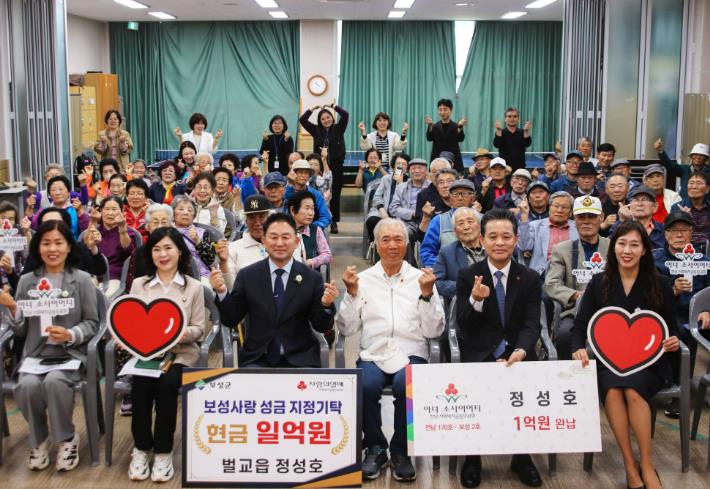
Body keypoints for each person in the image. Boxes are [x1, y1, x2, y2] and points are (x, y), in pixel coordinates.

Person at [572, 220, 680, 489]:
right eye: (621, 243)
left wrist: (673, 341)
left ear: (644, 250)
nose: (627, 250)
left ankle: (647, 464)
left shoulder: (660, 283)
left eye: (634, 244)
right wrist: (577, 347)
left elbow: (672, 328)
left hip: (649, 360)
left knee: (632, 390)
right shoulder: (599, 282)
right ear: (613, 248)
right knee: (612, 391)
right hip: (610, 360)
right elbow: (580, 326)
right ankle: (630, 465)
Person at [336, 218, 444, 482]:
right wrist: (351, 294)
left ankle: (401, 450)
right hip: (373, 353)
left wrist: (427, 296)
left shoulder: (421, 279)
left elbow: (434, 330)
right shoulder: (363, 279)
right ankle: (375, 447)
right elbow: (347, 328)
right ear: (375, 244)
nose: (392, 245)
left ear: (407, 245)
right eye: (385, 240)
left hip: (411, 352)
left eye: (398, 239)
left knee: (405, 385)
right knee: (365, 385)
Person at [0, 220, 99, 472]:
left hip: (70, 354)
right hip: (35, 354)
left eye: (58, 243)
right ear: (37, 247)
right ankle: (40, 439)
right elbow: (21, 330)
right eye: (46, 243)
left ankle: (67, 438)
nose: (52, 249)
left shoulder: (82, 280)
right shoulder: (26, 282)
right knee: (27, 386)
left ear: (69, 247)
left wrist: (70, 333)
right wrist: (13, 308)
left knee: (55, 382)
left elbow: (92, 323)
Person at [455, 209, 543, 488]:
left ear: (516, 239)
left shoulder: (529, 278)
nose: (500, 242)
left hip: (517, 353)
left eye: (506, 236)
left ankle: (522, 457)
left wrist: (522, 350)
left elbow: (532, 324)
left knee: (525, 391)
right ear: (482, 240)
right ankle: (473, 457)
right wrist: (476, 301)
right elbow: (463, 325)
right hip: (480, 353)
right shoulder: (469, 275)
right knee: (474, 394)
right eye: (492, 236)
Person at [127, 227, 207, 482]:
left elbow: (199, 328)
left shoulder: (193, 287)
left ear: (180, 251)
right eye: (157, 249)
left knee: (166, 384)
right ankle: (141, 448)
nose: (163, 254)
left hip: (180, 354)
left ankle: (163, 451)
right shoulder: (139, 284)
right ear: (150, 254)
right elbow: (130, 321)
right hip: (147, 355)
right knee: (140, 385)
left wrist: (182, 333)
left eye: (168, 248)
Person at [211, 213, 338, 368]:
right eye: (273, 237)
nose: (279, 243)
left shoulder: (312, 278)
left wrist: (325, 305)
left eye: (285, 237)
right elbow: (231, 319)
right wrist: (222, 292)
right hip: (258, 358)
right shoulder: (247, 276)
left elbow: (321, 326)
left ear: (296, 242)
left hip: (301, 358)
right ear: (264, 241)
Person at [653, 210, 710, 418]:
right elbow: (651, 296)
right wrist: (673, 290)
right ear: (666, 233)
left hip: (700, 316)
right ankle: (678, 392)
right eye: (674, 230)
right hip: (670, 315)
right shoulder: (655, 260)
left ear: (691, 233)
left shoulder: (703, 261)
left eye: (684, 230)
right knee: (677, 334)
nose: (679, 234)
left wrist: (707, 310)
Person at [544, 196, 610, 359]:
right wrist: (575, 295)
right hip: (575, 311)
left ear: (601, 218)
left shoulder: (613, 246)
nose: (586, 221)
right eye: (581, 217)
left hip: (609, 310)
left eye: (592, 216)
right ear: (574, 219)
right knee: (565, 335)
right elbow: (551, 283)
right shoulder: (562, 249)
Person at [299, 102, 349, 234]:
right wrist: (312, 108)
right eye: (323, 119)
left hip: (336, 167)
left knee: (335, 195)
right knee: (318, 194)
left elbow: (345, 115)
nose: (326, 120)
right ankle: (318, 218)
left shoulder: (339, 128)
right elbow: (302, 119)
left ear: (332, 118)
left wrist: (333, 106)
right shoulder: (315, 130)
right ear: (319, 121)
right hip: (320, 169)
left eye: (328, 117)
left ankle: (334, 222)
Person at [21, 207, 107, 281]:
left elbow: (99, 270)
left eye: (57, 223)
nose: (52, 228)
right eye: (47, 224)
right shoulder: (38, 252)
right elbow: (23, 281)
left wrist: (93, 247)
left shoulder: (78, 248)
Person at [419, 179, 481, 267]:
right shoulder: (439, 221)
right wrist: (445, 266)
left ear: (473, 197)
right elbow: (427, 252)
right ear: (450, 198)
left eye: (465, 194)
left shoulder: (483, 219)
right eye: (455, 194)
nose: (460, 198)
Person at [518, 191, 578, 276]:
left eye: (564, 207)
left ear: (571, 212)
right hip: (542, 274)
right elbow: (524, 247)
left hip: (571, 274)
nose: (559, 210)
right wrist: (524, 216)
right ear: (549, 208)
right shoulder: (535, 226)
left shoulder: (578, 228)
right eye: (556, 206)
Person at [433, 207, 485, 300]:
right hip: (464, 302)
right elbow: (437, 283)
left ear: (479, 225)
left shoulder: (493, 247)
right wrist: (465, 287)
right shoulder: (446, 252)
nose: (466, 227)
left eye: (470, 221)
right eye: (461, 223)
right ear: (455, 231)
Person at [93, 196, 138, 297]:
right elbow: (86, 247)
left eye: (114, 209)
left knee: (104, 297)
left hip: (116, 278)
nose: (110, 213)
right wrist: (92, 223)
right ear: (101, 211)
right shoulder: (95, 230)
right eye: (107, 209)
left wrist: (122, 229)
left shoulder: (128, 231)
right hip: (94, 276)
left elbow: (128, 251)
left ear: (122, 212)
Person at [171, 196, 216, 283]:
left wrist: (198, 241)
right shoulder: (167, 232)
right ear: (173, 213)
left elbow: (210, 260)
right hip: (173, 275)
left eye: (189, 210)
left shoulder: (202, 232)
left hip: (201, 276)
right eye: (181, 209)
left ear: (194, 215)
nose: (185, 213)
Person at [31, 176, 88, 240]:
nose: (57, 193)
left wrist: (80, 211)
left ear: (69, 192)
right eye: (53, 190)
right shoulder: (44, 211)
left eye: (61, 189)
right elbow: (33, 226)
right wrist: (30, 207)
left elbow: (86, 229)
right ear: (49, 194)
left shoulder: (75, 209)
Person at [288, 190, 332, 269]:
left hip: (309, 274)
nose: (311, 213)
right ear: (293, 210)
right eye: (307, 208)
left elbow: (327, 255)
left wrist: (311, 262)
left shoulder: (315, 230)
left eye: (312, 209)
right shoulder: (283, 230)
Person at [613, 185, 666, 250]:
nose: (640, 204)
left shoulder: (663, 231)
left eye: (645, 200)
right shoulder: (618, 226)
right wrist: (623, 221)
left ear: (655, 207)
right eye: (636, 200)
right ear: (629, 205)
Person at [388, 157, 430, 239]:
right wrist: (413, 213)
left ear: (426, 171)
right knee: (404, 234)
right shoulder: (401, 188)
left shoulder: (432, 187)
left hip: (428, 221)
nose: (417, 171)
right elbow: (393, 208)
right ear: (409, 171)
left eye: (420, 168)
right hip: (407, 222)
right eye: (413, 168)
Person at [284, 160, 332, 229]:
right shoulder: (285, 191)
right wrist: (290, 185)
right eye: (300, 172)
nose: (303, 175)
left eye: (306, 173)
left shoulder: (315, 194)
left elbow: (326, 217)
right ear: (293, 174)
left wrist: (311, 228)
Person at [671, 171, 709, 251]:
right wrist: (685, 219)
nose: (694, 187)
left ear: (707, 189)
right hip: (685, 250)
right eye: (691, 183)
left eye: (699, 183)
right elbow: (672, 235)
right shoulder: (677, 207)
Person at [425, 98, 466, 172]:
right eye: (440, 110)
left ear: (451, 110)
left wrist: (460, 127)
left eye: (445, 109)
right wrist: (430, 126)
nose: (442, 112)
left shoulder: (456, 125)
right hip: (437, 159)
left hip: (454, 159)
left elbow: (461, 138)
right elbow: (429, 138)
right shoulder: (435, 126)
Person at [413, 158, 453, 227]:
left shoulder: (458, 191)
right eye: (434, 172)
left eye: (441, 171)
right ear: (429, 175)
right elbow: (419, 223)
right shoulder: (423, 195)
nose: (437, 175)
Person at [492, 107, 531, 172]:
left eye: (515, 116)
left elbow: (527, 144)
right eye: (509, 116)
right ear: (505, 119)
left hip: (520, 168)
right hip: (504, 169)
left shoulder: (523, 132)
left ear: (518, 119)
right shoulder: (501, 132)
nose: (512, 119)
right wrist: (499, 130)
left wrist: (526, 131)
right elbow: (497, 144)